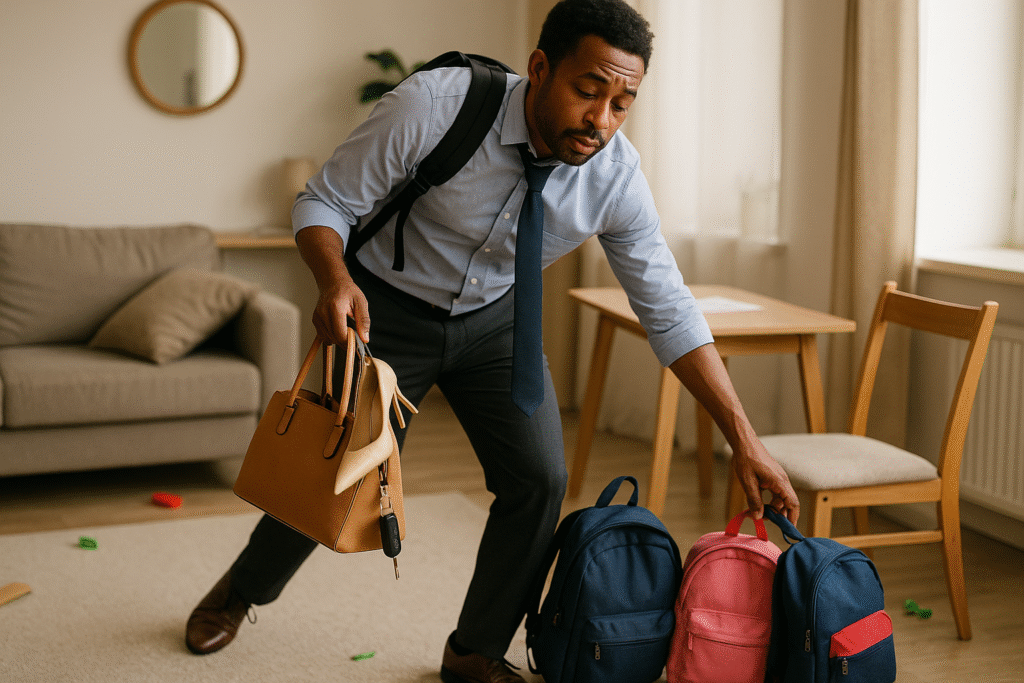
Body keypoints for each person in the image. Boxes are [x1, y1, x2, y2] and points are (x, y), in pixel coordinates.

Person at [184, 1, 800, 681]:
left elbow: (669, 309)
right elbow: (324, 201)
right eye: (588, 91)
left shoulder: (615, 176)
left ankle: (474, 650)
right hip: (384, 308)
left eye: (623, 102)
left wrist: (744, 437)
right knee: (337, 472)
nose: (602, 120)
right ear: (540, 69)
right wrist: (333, 281)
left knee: (540, 479)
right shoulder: (436, 105)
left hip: (496, 320)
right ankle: (239, 591)